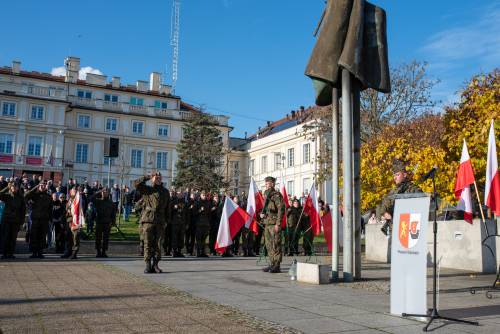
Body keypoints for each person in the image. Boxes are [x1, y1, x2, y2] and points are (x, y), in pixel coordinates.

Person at [134, 172, 170, 274]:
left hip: (160, 220)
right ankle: (148, 264)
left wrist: (167, 221)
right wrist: (148, 176)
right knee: (147, 243)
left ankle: (156, 264)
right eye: (156, 177)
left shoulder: (165, 192)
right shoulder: (147, 189)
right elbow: (136, 184)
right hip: (148, 219)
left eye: (159, 177)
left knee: (158, 244)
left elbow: (168, 208)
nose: (158, 179)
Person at [377, 160, 422, 236]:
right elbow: (381, 205)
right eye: (394, 175)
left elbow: (422, 203)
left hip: (408, 230)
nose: (394, 178)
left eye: (397, 175)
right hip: (393, 230)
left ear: (404, 175)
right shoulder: (393, 191)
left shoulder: (413, 189)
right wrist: (384, 213)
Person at [260, 176, 285, 273]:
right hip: (267, 223)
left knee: (276, 244)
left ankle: (277, 265)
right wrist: (263, 215)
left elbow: (281, 209)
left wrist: (278, 224)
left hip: (274, 223)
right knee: (269, 245)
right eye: (265, 183)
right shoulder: (266, 195)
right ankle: (272, 263)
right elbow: (268, 209)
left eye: (267, 183)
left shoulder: (276, 195)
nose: (266, 185)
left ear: (272, 184)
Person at [24, 181, 53, 258]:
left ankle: (40, 252)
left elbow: (50, 209)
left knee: (42, 236)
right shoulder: (34, 195)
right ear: (38, 186)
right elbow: (25, 196)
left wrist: (50, 219)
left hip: (44, 219)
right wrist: (34, 188)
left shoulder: (48, 196)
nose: (42, 186)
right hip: (35, 219)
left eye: (44, 185)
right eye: (41, 185)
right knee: (34, 236)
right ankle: (34, 252)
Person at [0, 182, 26, 259]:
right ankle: (4, 254)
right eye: (12, 187)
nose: (14, 188)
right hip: (7, 220)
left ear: (18, 188)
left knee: (13, 238)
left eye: (15, 187)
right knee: (6, 237)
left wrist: (21, 222)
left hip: (15, 221)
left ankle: (11, 253)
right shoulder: (7, 196)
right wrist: (7, 187)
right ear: (10, 188)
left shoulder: (21, 198)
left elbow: (23, 210)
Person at [93, 188, 115, 258]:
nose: (104, 193)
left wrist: (113, 222)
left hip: (107, 222)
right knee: (98, 238)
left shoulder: (111, 202)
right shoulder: (98, 201)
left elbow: (113, 213)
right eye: (103, 192)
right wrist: (99, 191)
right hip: (99, 222)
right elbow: (91, 198)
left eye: (106, 192)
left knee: (106, 238)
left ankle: (104, 252)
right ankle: (98, 252)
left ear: (108, 193)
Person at [169, 191, 186, 257]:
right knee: (175, 238)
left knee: (181, 238)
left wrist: (187, 222)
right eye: (179, 194)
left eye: (181, 194)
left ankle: (179, 251)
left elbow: (187, 214)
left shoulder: (185, 203)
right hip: (175, 223)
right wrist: (174, 208)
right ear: (177, 194)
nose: (180, 195)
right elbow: (169, 212)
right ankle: (174, 251)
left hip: (182, 223)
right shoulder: (173, 202)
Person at [196, 191, 211, 257]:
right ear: (200, 195)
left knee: (204, 239)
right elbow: (194, 213)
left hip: (206, 223)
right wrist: (200, 210)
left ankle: (203, 252)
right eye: (203, 195)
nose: (204, 196)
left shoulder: (208, 203)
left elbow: (209, 214)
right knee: (199, 239)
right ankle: (198, 252)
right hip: (199, 224)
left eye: (205, 195)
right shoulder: (197, 203)